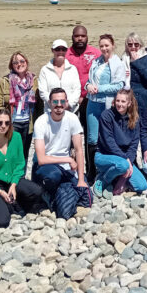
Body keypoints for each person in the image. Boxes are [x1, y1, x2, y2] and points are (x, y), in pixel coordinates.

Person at [0, 110, 45, 229]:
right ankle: (1, 203)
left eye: (7, 123)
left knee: (37, 191)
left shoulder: (16, 137)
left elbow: (20, 163)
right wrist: (0, 192)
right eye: (0, 123)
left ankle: (15, 203)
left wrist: (13, 185)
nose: (3, 126)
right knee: (1, 222)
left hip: (12, 180)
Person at [32, 88, 90, 218]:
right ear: (49, 102)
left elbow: (79, 149)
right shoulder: (41, 122)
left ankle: (62, 196)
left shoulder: (72, 118)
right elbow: (41, 158)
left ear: (66, 102)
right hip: (45, 167)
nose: (59, 105)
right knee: (54, 176)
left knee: (85, 193)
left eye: (62, 101)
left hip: (65, 166)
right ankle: (48, 195)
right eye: (55, 101)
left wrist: (81, 179)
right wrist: (68, 160)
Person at [85, 34, 127, 182]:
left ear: (113, 45)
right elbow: (89, 81)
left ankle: (110, 169)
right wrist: (88, 86)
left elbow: (120, 85)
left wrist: (99, 88)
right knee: (92, 138)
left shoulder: (118, 64)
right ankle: (91, 170)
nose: (104, 49)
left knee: (108, 136)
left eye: (106, 45)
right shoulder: (96, 62)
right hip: (93, 103)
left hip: (107, 105)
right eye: (101, 46)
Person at [94, 89, 147, 195]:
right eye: (117, 100)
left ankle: (120, 177)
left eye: (123, 101)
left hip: (124, 159)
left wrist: (130, 161)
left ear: (129, 103)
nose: (119, 104)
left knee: (142, 185)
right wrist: (126, 160)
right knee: (123, 165)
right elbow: (109, 143)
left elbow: (134, 145)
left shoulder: (135, 119)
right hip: (104, 155)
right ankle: (102, 179)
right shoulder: (106, 116)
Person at [0, 51, 39, 171]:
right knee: (10, 154)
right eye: (15, 62)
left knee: (24, 153)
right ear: (11, 65)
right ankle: (8, 181)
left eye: (22, 61)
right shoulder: (5, 81)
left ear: (26, 62)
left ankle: (20, 181)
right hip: (12, 124)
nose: (19, 64)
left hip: (28, 123)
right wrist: (2, 123)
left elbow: (39, 103)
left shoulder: (34, 80)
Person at [66, 25, 102, 125]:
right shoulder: (66, 54)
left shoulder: (96, 54)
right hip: (71, 99)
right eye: (77, 36)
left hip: (91, 98)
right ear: (72, 37)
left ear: (87, 37)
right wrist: (75, 97)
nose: (80, 38)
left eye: (83, 36)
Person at [38, 39, 81, 114]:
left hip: (71, 111)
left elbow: (77, 90)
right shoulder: (45, 70)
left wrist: (69, 104)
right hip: (51, 112)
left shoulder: (73, 69)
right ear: (52, 50)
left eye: (63, 49)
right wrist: (55, 104)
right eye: (57, 49)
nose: (60, 52)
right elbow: (43, 91)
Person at [122, 33, 147, 111]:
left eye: (136, 44)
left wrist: (136, 61)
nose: (133, 47)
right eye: (130, 45)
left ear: (140, 45)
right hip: (128, 96)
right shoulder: (124, 58)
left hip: (143, 96)